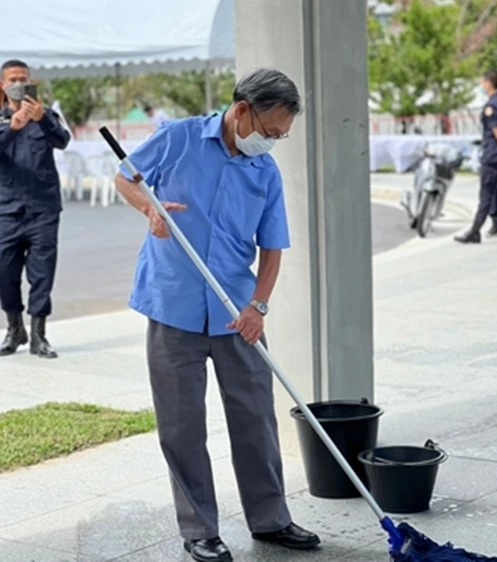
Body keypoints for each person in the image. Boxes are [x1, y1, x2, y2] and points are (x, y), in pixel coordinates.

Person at [113, 68, 319, 562]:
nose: (272, 143)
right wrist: (151, 209)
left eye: (281, 136)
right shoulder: (178, 138)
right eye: (270, 132)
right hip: (172, 306)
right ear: (243, 110)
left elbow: (272, 249)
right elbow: (124, 178)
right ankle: (199, 529)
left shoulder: (264, 171)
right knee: (181, 426)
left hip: (236, 312)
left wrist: (258, 306)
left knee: (255, 420)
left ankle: (270, 519)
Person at [0, 59, 70, 359]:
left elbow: (63, 140)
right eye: (12, 79)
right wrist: (12, 130)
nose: (18, 83)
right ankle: (15, 328)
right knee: (5, 273)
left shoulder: (47, 116)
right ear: (3, 85)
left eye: (23, 78)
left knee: (42, 275)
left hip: (43, 209)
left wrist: (42, 118)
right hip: (6, 211)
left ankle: (39, 334)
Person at [455, 69, 497, 243]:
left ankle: (474, 231)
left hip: (492, 156)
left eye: (482, 82)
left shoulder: (491, 106)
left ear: (488, 83)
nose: (481, 85)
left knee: (486, 195)